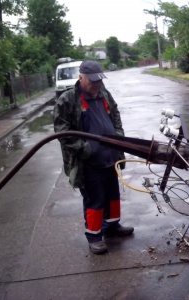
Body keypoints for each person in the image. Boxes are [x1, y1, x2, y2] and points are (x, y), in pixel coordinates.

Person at [53, 60, 134, 255]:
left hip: (110, 156)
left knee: (112, 195)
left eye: (99, 80)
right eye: (93, 81)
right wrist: (85, 149)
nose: (97, 84)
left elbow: (115, 115)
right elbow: (61, 131)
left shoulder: (104, 93)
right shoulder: (68, 99)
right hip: (88, 162)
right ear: (81, 78)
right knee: (95, 200)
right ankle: (95, 237)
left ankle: (113, 227)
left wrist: (118, 136)